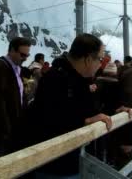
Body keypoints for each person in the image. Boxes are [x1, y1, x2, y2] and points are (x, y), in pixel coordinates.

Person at [29, 34, 117, 179]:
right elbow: (48, 121)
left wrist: (116, 111)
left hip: (72, 161)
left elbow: (86, 110)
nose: (101, 64)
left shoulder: (78, 79)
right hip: (55, 167)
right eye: (100, 59)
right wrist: (85, 121)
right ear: (88, 59)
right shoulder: (55, 79)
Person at [0, 37, 31, 158]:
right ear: (12, 51)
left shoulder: (15, 68)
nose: (25, 58)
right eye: (22, 55)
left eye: (27, 55)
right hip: (2, 133)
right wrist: (5, 130)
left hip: (13, 130)